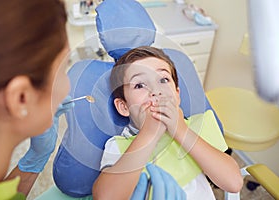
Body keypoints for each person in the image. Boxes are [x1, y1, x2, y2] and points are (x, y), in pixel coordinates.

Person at [0, 1, 184, 199]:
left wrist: (33, 160)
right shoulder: (117, 147)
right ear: (21, 98)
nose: (68, 85)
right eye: (62, 68)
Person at [93, 46, 244, 199]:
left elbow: (233, 183)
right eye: (139, 85)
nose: (155, 91)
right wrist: (149, 134)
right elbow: (106, 197)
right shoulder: (118, 145)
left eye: (163, 80)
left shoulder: (195, 127)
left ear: (177, 96)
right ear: (124, 107)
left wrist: (181, 131)